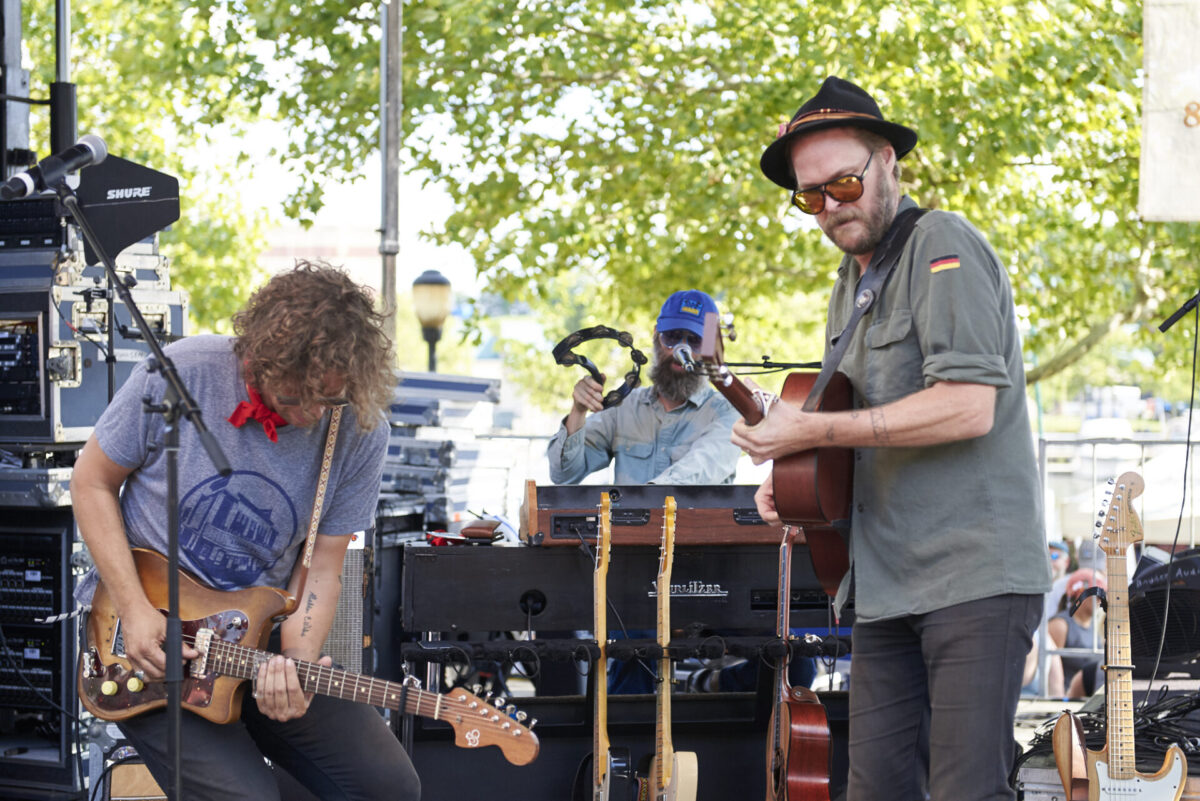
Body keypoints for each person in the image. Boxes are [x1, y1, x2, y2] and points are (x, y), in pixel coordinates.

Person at [734, 76, 1052, 801]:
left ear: (888, 163)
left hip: (973, 578)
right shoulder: (849, 283)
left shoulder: (942, 241)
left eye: (843, 183)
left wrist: (809, 428)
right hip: (882, 585)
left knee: (967, 791)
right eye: (810, 197)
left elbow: (967, 407)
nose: (830, 206)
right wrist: (798, 481)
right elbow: (854, 426)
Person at [71, 262, 420, 801]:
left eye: (329, 399)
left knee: (389, 787)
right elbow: (91, 482)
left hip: (258, 638)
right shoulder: (183, 372)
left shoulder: (358, 428)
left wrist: (297, 665)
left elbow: (323, 568)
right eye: (297, 395)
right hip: (145, 633)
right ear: (259, 358)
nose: (313, 413)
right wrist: (135, 610)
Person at [546, 289, 742, 485]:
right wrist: (578, 411)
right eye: (672, 337)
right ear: (656, 335)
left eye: (695, 341)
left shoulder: (728, 411)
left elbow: (700, 470)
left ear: (712, 349)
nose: (681, 351)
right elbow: (562, 475)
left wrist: (647, 498)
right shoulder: (624, 407)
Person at [1047, 568, 1106, 699]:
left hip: (1090, 699)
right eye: (1096, 594)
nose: (1100, 600)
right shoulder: (1060, 625)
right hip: (1068, 699)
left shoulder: (1096, 626)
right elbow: (1051, 669)